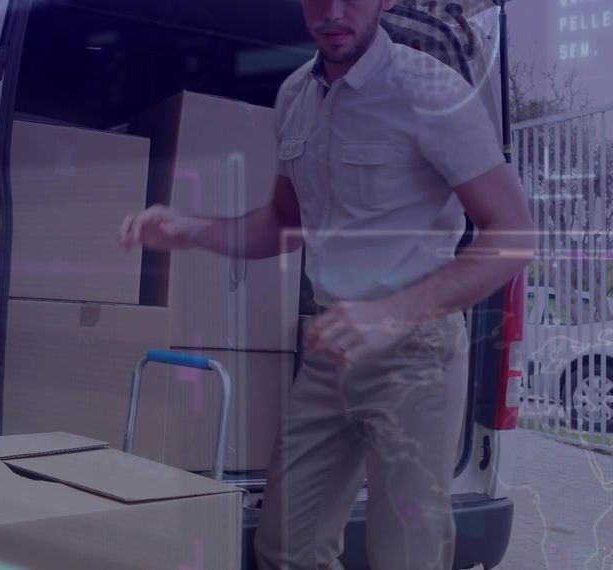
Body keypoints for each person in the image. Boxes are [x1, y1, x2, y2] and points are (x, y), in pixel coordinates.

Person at [119, 0, 535, 567]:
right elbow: (286, 223)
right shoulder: (295, 96)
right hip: (331, 346)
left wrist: (391, 314)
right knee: (287, 544)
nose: (334, 11)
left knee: (406, 555)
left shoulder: (430, 90)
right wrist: (191, 229)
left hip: (418, 352)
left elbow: (513, 236)